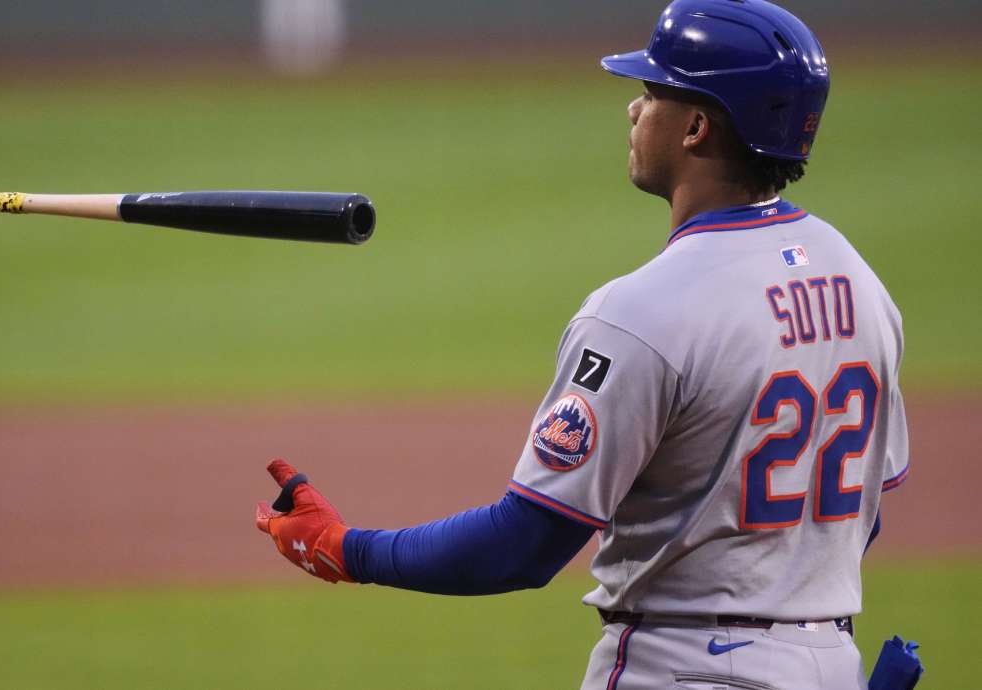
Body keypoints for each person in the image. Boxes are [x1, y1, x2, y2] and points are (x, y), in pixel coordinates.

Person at [255, 1, 911, 688]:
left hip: (682, 669)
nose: (634, 109)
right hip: (832, 662)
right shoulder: (860, 282)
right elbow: (863, 515)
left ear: (695, 127)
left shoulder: (642, 312)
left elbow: (524, 544)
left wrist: (344, 548)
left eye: (654, 92)